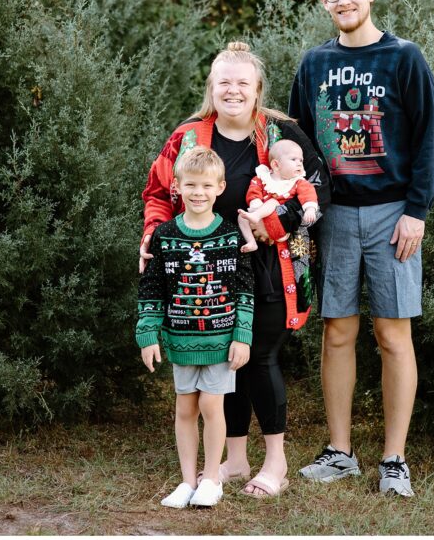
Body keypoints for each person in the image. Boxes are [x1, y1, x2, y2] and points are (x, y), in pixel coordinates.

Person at [140, 42, 330, 498]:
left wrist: (272, 226)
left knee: (259, 357)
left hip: (272, 265)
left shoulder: (280, 132)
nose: (233, 90)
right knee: (231, 360)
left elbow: (319, 185)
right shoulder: (187, 137)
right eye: (224, 81)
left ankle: (277, 464)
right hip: (208, 272)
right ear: (211, 87)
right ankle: (238, 459)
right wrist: (152, 236)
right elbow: (159, 192)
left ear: (258, 88)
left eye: (242, 82)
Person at [288, 0, 434, 497]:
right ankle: (340, 453)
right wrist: (298, 211)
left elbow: (429, 136)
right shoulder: (312, 64)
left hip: (392, 214)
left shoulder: (403, 57)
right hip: (330, 216)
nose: (344, 2)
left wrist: (417, 212)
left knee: (392, 333)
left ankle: (394, 460)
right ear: (323, 2)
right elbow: (299, 146)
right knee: (338, 330)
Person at [135, 146, 252, 508]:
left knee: (212, 407)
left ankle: (212, 479)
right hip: (182, 340)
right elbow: (152, 290)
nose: (198, 192)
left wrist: (242, 336)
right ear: (178, 187)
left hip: (220, 339)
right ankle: (187, 481)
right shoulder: (165, 236)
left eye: (205, 185)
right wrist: (147, 334)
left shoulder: (231, 238)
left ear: (220, 187)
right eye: (190, 185)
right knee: (185, 408)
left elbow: (245, 291)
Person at [237, 139, 319, 253]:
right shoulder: (263, 178)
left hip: (279, 225)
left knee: (273, 202)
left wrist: (310, 209)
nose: (299, 163)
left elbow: (308, 194)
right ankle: (251, 242)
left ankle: (256, 216)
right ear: (276, 165)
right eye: (293, 159)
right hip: (258, 220)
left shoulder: (298, 182)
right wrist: (255, 203)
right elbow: (253, 190)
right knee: (241, 217)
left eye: (301, 160)